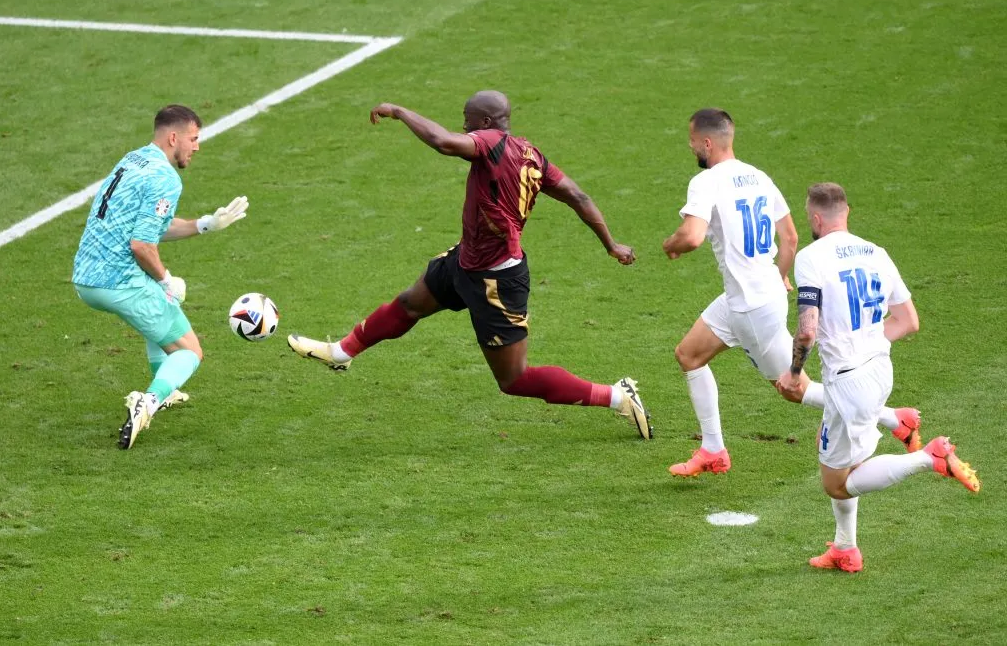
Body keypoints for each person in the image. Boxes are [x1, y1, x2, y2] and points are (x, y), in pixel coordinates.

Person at [287, 91, 651, 438]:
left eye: (467, 121)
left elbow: (444, 143)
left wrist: (399, 112)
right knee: (410, 304)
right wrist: (611, 244)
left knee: (515, 380)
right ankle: (342, 352)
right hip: (466, 260)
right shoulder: (532, 156)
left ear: (488, 121)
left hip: (496, 281)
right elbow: (578, 196)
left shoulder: (489, 142)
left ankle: (618, 396)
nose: (464, 128)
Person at [662, 109, 919, 477]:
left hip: (750, 307)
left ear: (707, 142)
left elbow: (691, 236)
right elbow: (791, 238)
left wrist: (670, 244)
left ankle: (894, 420)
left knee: (793, 387)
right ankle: (713, 449)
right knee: (688, 355)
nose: (689, 147)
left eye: (691, 140)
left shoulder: (706, 182)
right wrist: (780, 276)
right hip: (750, 297)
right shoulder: (760, 177)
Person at [777, 182, 979, 572]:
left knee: (836, 481)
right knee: (843, 460)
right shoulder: (877, 253)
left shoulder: (811, 257)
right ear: (846, 212)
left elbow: (806, 330)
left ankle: (929, 457)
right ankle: (845, 548)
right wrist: (865, 340)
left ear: (816, 219)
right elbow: (908, 321)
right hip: (879, 371)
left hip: (849, 384)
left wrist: (794, 371)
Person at [71, 105, 249, 449]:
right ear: (173, 137)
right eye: (193, 138)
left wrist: (206, 224)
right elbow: (141, 245)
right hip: (116, 280)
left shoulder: (133, 160)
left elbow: (148, 227)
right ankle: (149, 400)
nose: (196, 146)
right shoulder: (166, 178)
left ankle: (165, 389)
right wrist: (167, 279)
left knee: (161, 304)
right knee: (190, 351)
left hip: (86, 276)